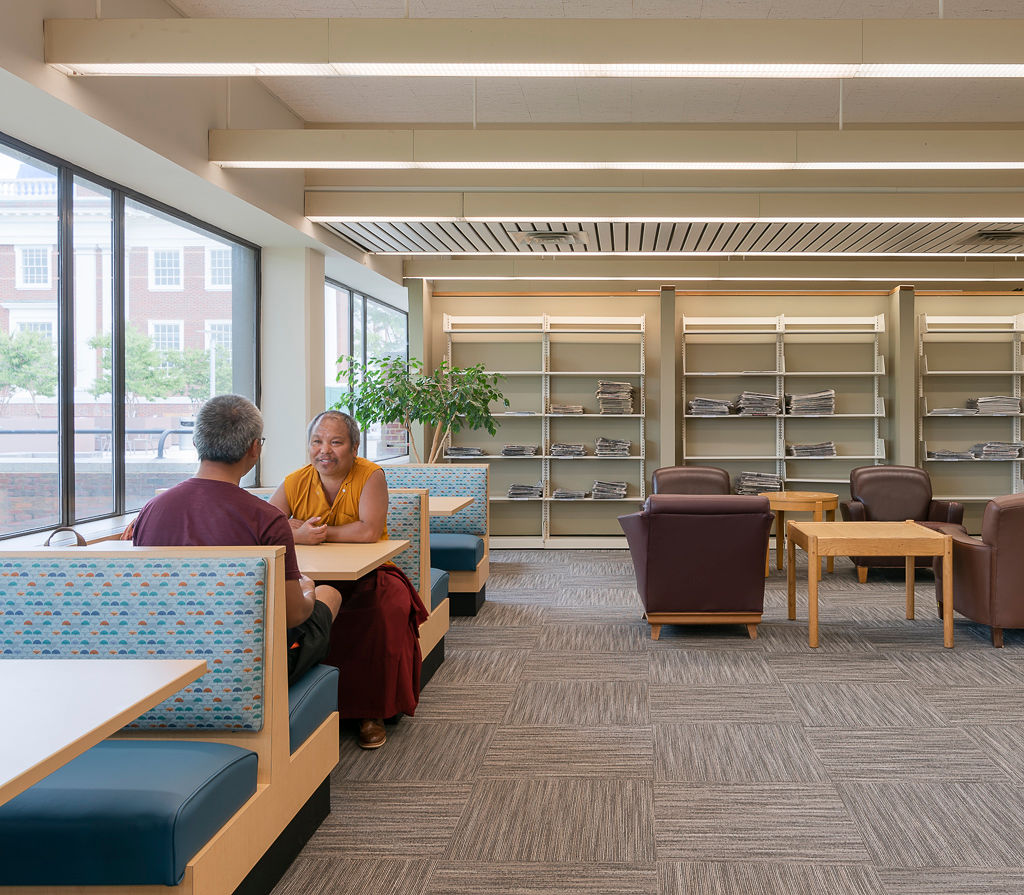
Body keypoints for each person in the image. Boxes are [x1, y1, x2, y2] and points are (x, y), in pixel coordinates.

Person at [132, 394, 342, 688]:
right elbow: (293, 615)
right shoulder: (266, 518)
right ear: (255, 448)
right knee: (329, 595)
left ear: (196, 444)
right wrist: (307, 589)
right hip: (243, 666)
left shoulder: (151, 510)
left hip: (159, 664)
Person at [269, 410, 427, 750]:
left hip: (367, 572)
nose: (325, 450)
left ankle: (370, 712)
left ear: (354, 447)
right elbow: (271, 528)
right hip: (310, 576)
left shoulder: (370, 475)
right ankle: (311, 702)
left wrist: (311, 534)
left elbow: (368, 531)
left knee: (384, 608)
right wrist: (299, 534)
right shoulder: (296, 480)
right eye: (317, 441)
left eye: (336, 442)